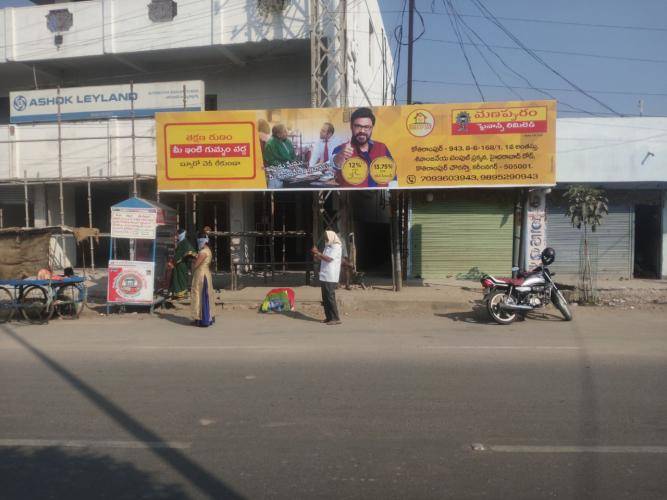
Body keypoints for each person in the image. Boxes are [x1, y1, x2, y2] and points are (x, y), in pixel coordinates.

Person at [331, 107, 396, 188]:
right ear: (351, 127)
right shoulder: (341, 149)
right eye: (358, 126)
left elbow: (393, 177)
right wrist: (340, 157)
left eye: (366, 127)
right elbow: (334, 164)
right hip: (350, 198)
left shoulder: (382, 147)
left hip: (378, 198)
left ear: (372, 128)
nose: (362, 131)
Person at [311, 230, 343, 325]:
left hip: (331, 275)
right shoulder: (328, 246)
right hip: (325, 274)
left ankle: (336, 318)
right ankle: (329, 317)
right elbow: (324, 257)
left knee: (330, 297)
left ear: (332, 237)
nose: (326, 239)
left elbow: (329, 259)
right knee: (325, 297)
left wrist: (318, 253)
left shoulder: (337, 247)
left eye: (327, 237)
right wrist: (316, 255)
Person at [191, 232, 215, 327]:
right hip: (206, 274)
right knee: (206, 295)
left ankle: (201, 319)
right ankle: (207, 317)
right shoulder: (208, 250)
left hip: (201, 275)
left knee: (199, 296)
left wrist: (193, 261)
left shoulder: (203, 252)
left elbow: (197, 264)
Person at [263, 124, 296, 189]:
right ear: (278, 134)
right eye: (285, 132)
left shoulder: (288, 141)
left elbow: (293, 156)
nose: (287, 133)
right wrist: (287, 166)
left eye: (286, 131)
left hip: (288, 168)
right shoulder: (271, 144)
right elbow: (271, 161)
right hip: (276, 169)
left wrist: (294, 164)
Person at [170, 229, 197, 300]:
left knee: (182, 279)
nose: (176, 236)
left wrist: (182, 257)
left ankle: (183, 294)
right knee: (177, 278)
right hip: (177, 264)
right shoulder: (180, 242)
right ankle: (178, 294)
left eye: (177, 235)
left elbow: (190, 251)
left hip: (182, 264)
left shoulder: (185, 242)